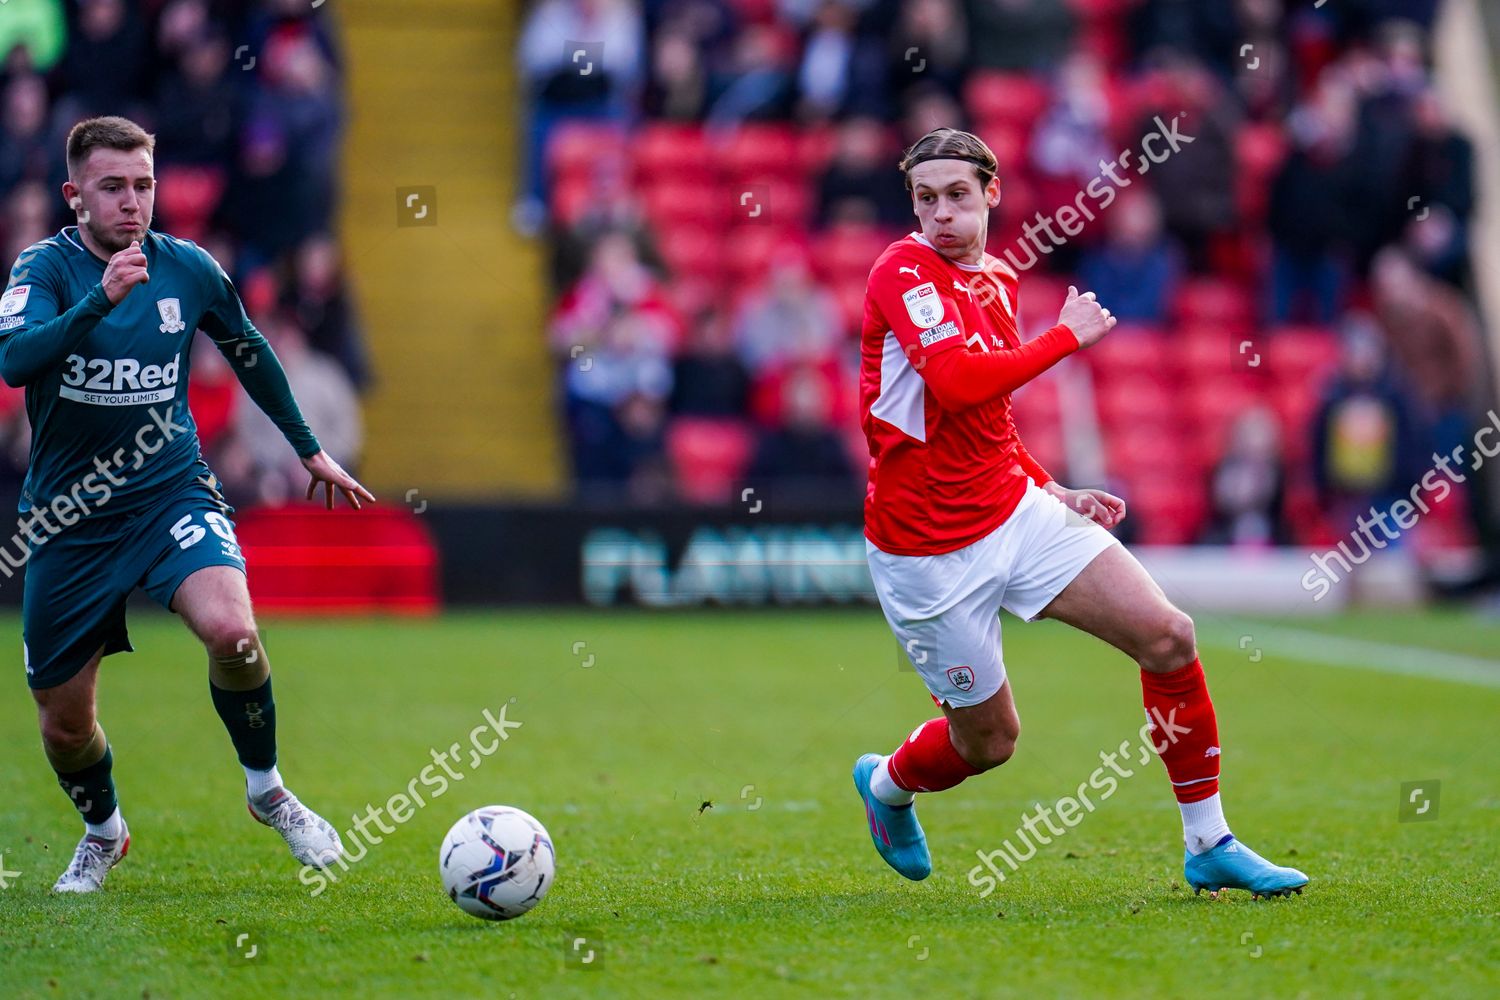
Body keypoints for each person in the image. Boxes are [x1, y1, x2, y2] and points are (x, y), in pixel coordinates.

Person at [853, 127, 1308, 898]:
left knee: (1168, 636)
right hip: (927, 551)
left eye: (957, 196)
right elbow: (960, 381)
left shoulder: (995, 276)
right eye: (925, 199)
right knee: (991, 743)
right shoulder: (902, 271)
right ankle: (889, 787)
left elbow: (986, 417)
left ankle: (1209, 841)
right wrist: (1067, 337)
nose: (941, 214)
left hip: (1014, 510)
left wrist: (1050, 486)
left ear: (991, 194)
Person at [0, 117, 374, 893]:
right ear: (75, 196)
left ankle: (267, 789)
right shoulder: (41, 271)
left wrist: (306, 447)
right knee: (66, 727)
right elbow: (16, 361)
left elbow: (248, 349)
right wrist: (96, 304)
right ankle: (104, 833)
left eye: (143, 185)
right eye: (112, 188)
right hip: (69, 520)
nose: (132, 203)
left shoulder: (189, 269)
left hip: (168, 490)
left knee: (235, 633)